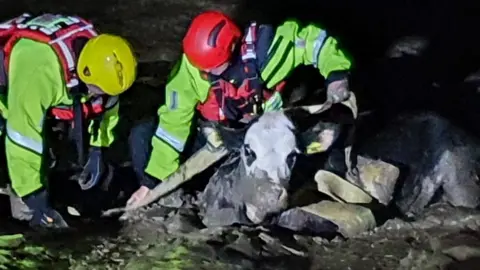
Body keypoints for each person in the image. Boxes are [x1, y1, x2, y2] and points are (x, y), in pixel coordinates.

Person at [126, 10, 352, 207]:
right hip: (215, 139)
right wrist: (152, 183)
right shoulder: (189, 71)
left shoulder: (267, 52)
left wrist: (336, 74)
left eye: (210, 69)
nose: (203, 74)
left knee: (324, 136)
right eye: (199, 68)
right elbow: (173, 128)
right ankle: (177, 197)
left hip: (263, 142)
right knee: (142, 135)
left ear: (233, 50)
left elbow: (314, 42)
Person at [0, 13, 137, 229]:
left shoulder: (104, 63)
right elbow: (22, 137)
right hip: (12, 88)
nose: (100, 97)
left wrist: (97, 150)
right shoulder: (41, 71)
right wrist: (33, 197)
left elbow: (108, 107)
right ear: (84, 74)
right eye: (97, 91)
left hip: (45, 88)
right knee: (24, 200)